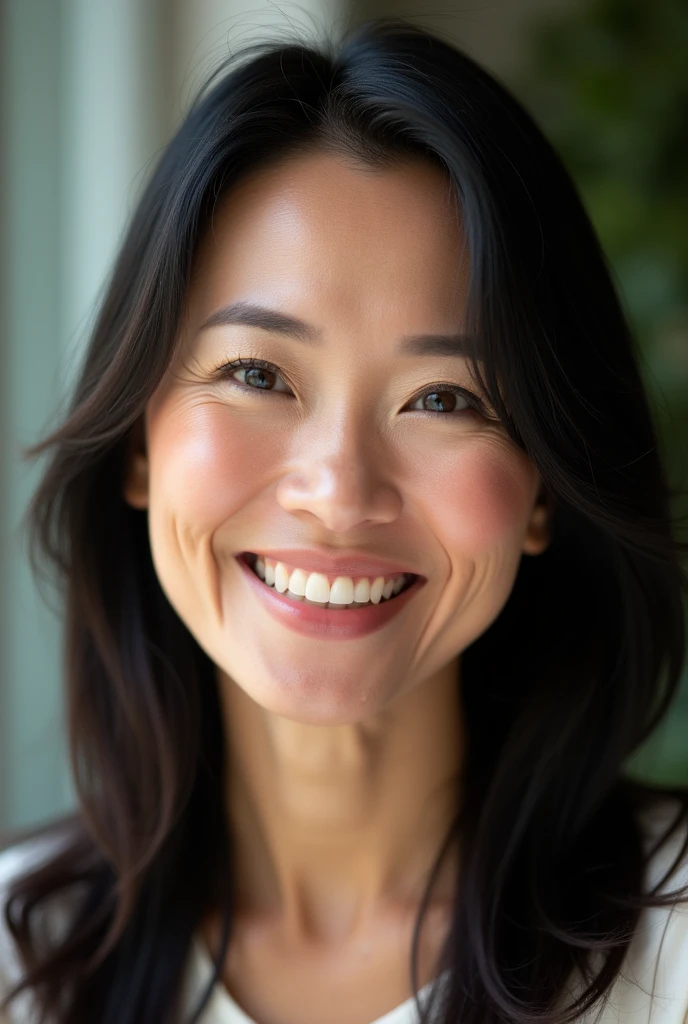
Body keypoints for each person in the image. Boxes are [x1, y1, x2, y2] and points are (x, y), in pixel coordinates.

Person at [1, 15, 688, 1024]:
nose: (337, 489)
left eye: (445, 397)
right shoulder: (22, 964)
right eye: (256, 374)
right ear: (142, 443)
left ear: (543, 486)